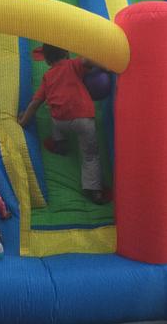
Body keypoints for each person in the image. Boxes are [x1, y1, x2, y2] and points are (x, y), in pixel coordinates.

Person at [18, 44, 107, 204]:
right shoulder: (72, 65)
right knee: (90, 155)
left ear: (46, 60)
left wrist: (23, 121)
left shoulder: (47, 76)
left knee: (52, 110)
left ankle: (60, 142)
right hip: (83, 119)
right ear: (66, 54)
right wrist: (107, 67)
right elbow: (88, 60)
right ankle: (94, 190)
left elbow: (35, 103)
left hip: (61, 122)